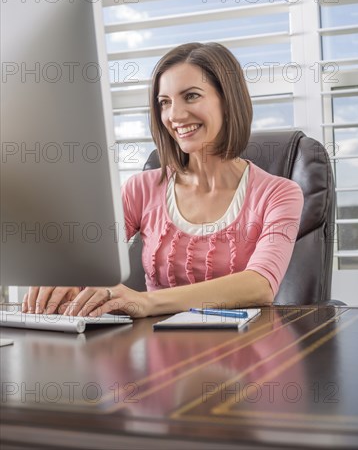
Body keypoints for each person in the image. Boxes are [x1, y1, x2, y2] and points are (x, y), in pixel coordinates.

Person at [22, 42, 304, 318]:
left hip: (243, 352)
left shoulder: (279, 194)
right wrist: (65, 281)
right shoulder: (140, 189)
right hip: (156, 352)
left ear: (228, 101)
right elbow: (90, 265)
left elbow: (260, 285)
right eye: (164, 102)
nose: (175, 115)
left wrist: (146, 302)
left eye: (191, 96)